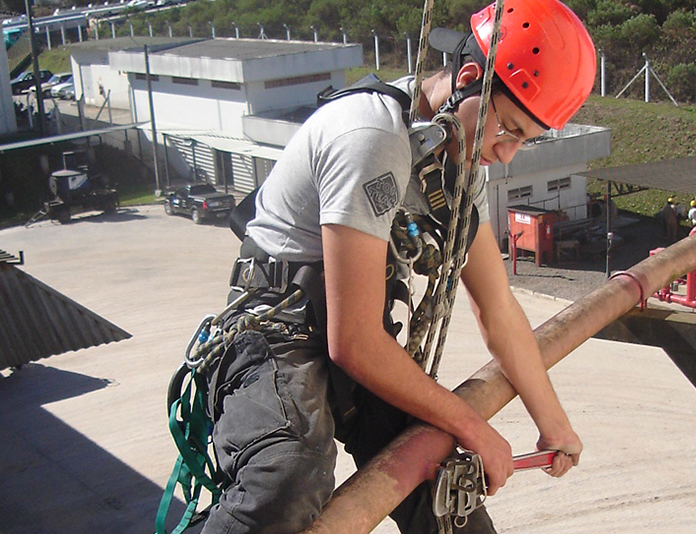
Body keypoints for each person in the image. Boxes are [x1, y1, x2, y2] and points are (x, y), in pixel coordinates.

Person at [201, 1, 596, 532]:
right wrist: (473, 427)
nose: (507, 155)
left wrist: (554, 425)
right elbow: (355, 341)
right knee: (285, 478)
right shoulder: (372, 136)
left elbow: (498, 309)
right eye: (508, 129)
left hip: (349, 335)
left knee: (444, 499)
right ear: (469, 77)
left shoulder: (455, 165)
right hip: (276, 332)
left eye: (524, 140)